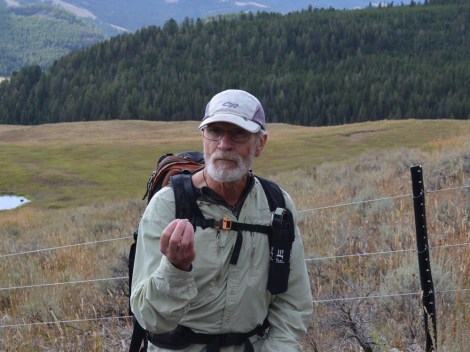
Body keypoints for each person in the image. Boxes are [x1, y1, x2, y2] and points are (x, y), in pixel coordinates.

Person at [130, 89, 313, 352]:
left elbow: (292, 303)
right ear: (203, 137)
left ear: (260, 143)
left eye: (238, 133)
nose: (224, 145)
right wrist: (174, 268)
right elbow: (149, 318)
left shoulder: (277, 205)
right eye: (215, 131)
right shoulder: (168, 206)